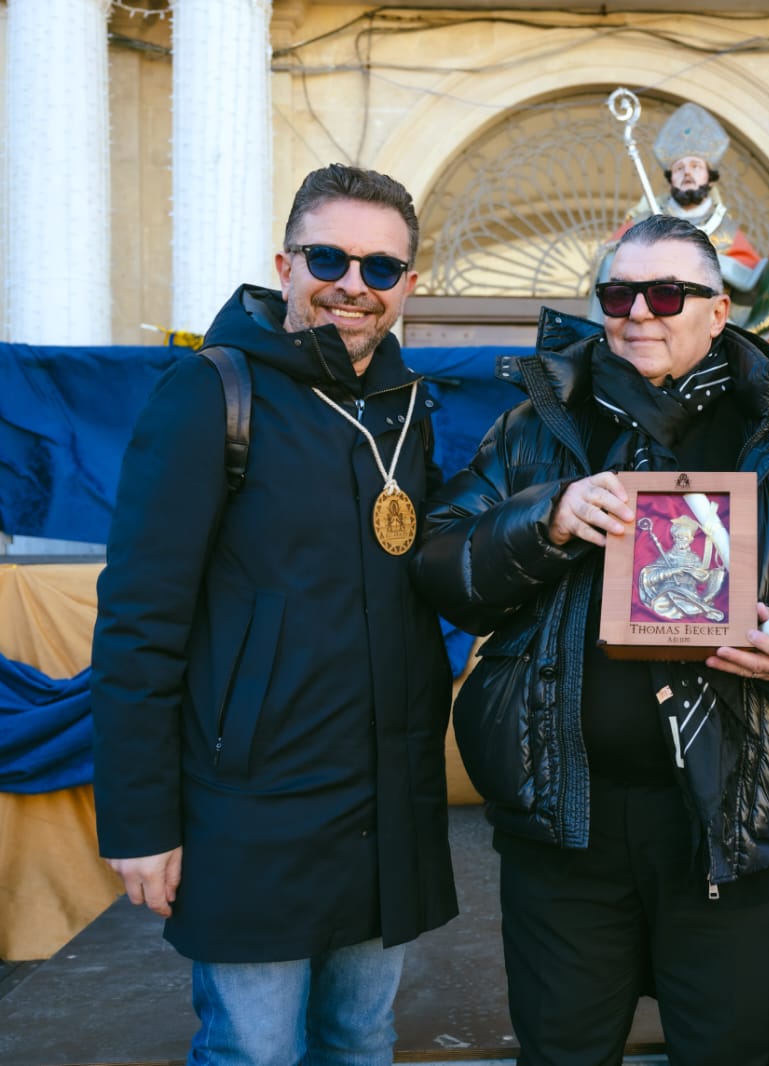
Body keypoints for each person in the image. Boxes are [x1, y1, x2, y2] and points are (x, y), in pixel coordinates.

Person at [414, 213, 769, 1065]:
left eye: (667, 292)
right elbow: (439, 563)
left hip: (738, 816)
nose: (639, 312)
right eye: (618, 293)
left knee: (724, 1049)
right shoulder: (536, 427)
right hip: (564, 818)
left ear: (719, 310)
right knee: (564, 1049)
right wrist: (549, 517)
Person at [91, 164, 458, 1064]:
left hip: (387, 798)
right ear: (285, 262)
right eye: (328, 256)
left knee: (361, 1041)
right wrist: (141, 823)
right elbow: (140, 618)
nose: (352, 285)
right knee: (252, 1052)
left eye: (380, 268)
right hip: (252, 806)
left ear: (408, 286)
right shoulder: (211, 392)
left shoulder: (410, 408)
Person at [593, 101, 769, 337]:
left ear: (711, 179)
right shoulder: (643, 222)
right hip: (651, 325)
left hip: (708, 333)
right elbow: (611, 264)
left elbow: (756, 289)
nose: (687, 173)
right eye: (679, 168)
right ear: (670, 179)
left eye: (696, 167)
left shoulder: (725, 230)